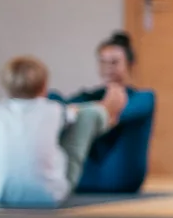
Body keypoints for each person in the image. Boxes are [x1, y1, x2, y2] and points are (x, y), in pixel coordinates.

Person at [0, 55, 116, 207]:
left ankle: (2, 173)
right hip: (51, 194)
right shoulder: (54, 109)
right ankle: (110, 119)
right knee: (90, 114)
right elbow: (76, 115)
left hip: (0, 193)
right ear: (44, 87)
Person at [55, 32, 156, 193]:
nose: (108, 68)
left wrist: (88, 112)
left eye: (114, 62)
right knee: (53, 99)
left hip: (121, 178)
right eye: (103, 62)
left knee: (88, 116)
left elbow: (116, 115)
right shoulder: (87, 97)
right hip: (85, 176)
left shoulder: (143, 98)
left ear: (129, 64)